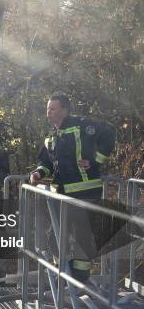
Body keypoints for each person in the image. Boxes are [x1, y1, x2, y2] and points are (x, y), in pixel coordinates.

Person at [30, 94, 115, 281]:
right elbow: (46, 162)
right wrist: (38, 174)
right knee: (55, 238)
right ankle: (62, 279)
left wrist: (95, 161)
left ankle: (79, 282)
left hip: (85, 193)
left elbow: (109, 136)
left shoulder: (82, 126)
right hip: (61, 196)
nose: (48, 112)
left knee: (81, 239)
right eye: (47, 109)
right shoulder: (51, 137)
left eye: (53, 108)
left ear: (65, 110)